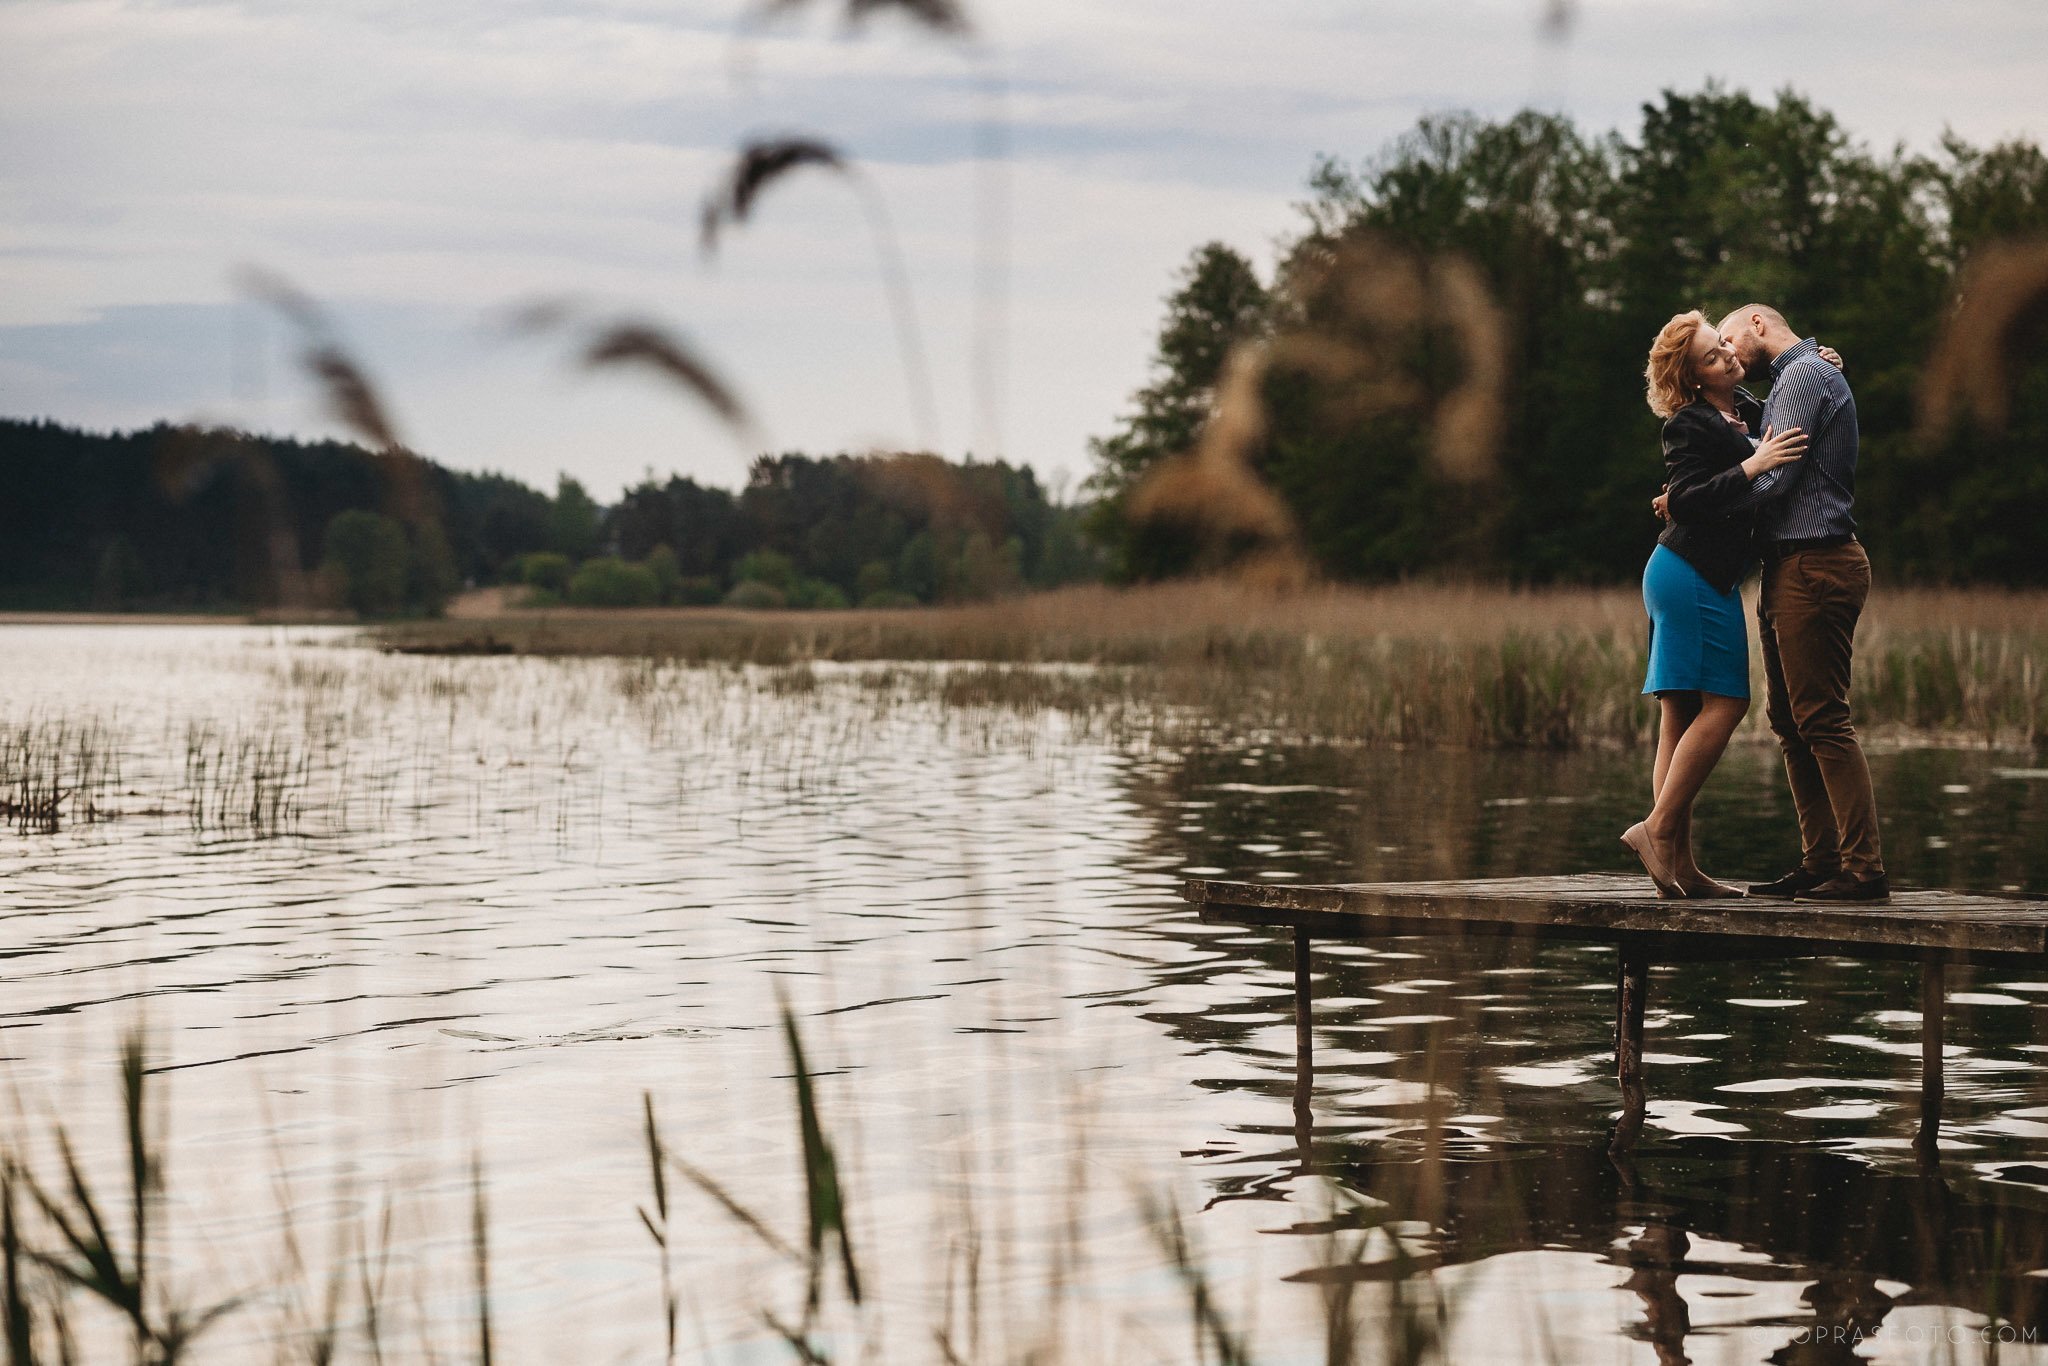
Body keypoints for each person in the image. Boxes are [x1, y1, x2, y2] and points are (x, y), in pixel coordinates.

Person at [1621, 311, 1807, 897]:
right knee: (1727, 703)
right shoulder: (1690, 423)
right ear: (1695, 379)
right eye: (1711, 356)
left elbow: (1788, 400)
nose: (1727, 356)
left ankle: (1679, 867)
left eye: (1723, 346)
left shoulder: (1743, 407)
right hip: (1692, 574)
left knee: (1678, 716)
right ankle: (1656, 830)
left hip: (1692, 574)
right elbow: (1688, 498)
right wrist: (1752, 466)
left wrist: (1817, 361)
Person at [1717, 304, 1889, 902]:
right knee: (1790, 722)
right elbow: (1763, 436)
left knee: (1821, 718)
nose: (1729, 351)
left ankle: (1863, 870)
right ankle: (1821, 862)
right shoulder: (1802, 375)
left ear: (1760, 324)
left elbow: (1777, 476)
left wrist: (1701, 504)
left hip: (1816, 561)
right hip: (1791, 564)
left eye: (1730, 338)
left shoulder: (1803, 374)